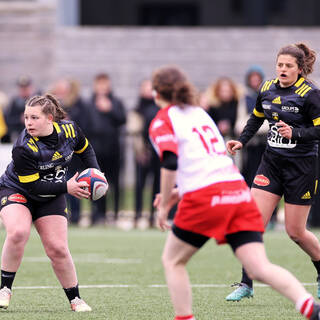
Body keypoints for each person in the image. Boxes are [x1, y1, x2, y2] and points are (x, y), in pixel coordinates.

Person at [149, 65, 320, 320]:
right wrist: (178, 191)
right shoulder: (200, 113)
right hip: (237, 192)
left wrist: (164, 206)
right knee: (259, 266)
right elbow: (210, 161)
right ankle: (310, 307)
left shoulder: (163, 119)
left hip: (206, 198)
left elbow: (171, 162)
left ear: (156, 93)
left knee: (173, 261)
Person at [226, 42, 320, 302]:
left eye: (289, 66)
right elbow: (256, 117)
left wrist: (297, 133)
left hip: (301, 167)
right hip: (272, 164)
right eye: (280, 65)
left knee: (295, 232)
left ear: (299, 69)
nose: (283, 69)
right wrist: (242, 140)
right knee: (252, 222)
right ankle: (247, 283)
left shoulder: (310, 94)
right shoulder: (266, 88)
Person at [0, 94, 100, 311]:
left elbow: (86, 150)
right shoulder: (23, 147)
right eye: (26, 117)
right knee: (18, 232)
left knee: (58, 248)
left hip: (52, 193)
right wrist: (67, 187)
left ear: (50, 119)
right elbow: (34, 187)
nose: (28, 122)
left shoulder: (70, 130)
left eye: (34, 117)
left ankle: (75, 299)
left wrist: (97, 174)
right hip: (18, 190)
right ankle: (4, 289)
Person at [86, 73, 126, 225]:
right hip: (95, 150)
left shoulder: (115, 102)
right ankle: (98, 215)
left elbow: (122, 119)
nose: (102, 87)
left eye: (105, 84)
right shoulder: (89, 103)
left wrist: (109, 110)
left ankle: (115, 214)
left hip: (113, 149)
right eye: (99, 84)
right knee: (95, 182)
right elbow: (84, 124)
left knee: (115, 182)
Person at [128, 79, 160, 228]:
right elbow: (135, 131)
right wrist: (140, 150)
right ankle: (137, 215)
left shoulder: (159, 107)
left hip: (158, 151)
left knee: (157, 185)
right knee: (140, 184)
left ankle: (154, 216)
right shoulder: (138, 109)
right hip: (143, 151)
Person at [5, 76, 37, 143]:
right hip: (19, 136)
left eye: (26, 88)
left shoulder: (38, 101)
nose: (24, 90)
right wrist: (20, 119)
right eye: (22, 88)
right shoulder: (15, 102)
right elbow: (8, 120)